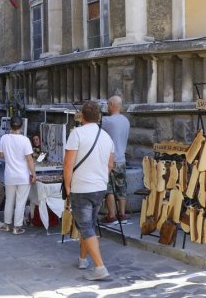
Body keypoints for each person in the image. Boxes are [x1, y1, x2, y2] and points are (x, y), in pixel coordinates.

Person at [63, 100, 114, 281]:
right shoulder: (107, 136)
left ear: (81, 116)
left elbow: (68, 164)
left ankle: (100, 267)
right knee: (88, 225)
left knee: (85, 226)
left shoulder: (76, 134)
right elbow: (110, 164)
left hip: (82, 186)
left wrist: (68, 185)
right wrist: (100, 176)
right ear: (99, 117)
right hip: (100, 186)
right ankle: (83, 259)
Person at [0, 116, 35, 235]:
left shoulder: (4, 138)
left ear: (10, 126)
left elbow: (1, 156)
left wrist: (9, 156)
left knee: (9, 200)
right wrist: (33, 174)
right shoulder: (25, 140)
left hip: (10, 175)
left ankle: (6, 224)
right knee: (20, 202)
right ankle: (17, 227)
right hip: (23, 175)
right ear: (21, 126)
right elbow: (29, 159)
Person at [101, 96, 131, 225]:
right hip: (122, 159)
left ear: (112, 105)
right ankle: (122, 214)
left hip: (110, 160)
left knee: (109, 188)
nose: (107, 106)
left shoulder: (107, 120)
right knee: (121, 187)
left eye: (108, 104)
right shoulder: (126, 121)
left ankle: (111, 215)